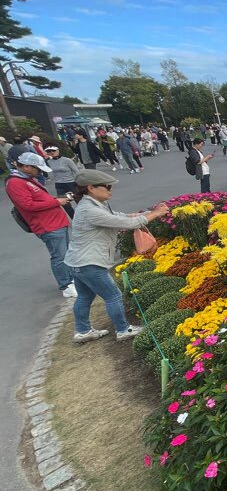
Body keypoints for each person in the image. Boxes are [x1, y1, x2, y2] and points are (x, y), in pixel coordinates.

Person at [65, 170, 170, 343]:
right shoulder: (89, 210)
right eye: (107, 187)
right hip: (89, 262)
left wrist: (140, 214)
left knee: (85, 296)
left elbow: (118, 217)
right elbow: (127, 224)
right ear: (91, 187)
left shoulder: (95, 204)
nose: (110, 191)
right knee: (113, 295)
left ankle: (82, 331)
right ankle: (123, 329)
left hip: (77, 262)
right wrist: (155, 214)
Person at [5, 152, 76, 297]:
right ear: (26, 166)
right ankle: (66, 285)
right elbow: (28, 205)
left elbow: (39, 199)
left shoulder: (27, 178)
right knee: (59, 256)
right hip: (47, 225)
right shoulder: (15, 183)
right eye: (37, 168)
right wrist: (56, 202)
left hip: (55, 222)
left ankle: (71, 279)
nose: (40, 171)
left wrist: (58, 199)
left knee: (65, 253)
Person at [44, 144, 79, 218]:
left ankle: (86, 218)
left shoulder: (67, 160)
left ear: (58, 150)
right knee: (65, 204)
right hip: (59, 185)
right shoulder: (49, 162)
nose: (51, 152)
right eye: (48, 151)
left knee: (79, 201)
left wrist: (78, 182)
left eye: (53, 150)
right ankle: (75, 219)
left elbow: (76, 171)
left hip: (71, 183)